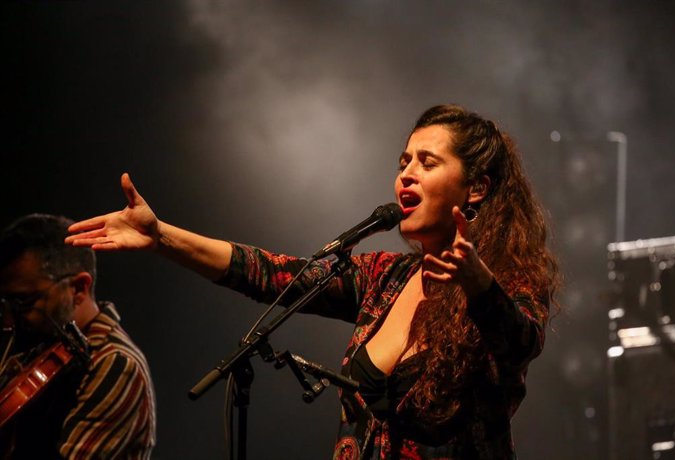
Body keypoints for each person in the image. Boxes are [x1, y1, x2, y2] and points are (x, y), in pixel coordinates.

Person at [66, 104, 559, 459]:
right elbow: (272, 274)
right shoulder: (385, 277)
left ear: (476, 188)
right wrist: (161, 236)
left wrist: (479, 287)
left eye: (427, 163)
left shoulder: (509, 284)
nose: (406, 175)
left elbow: (520, 341)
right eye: (403, 162)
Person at [0, 214, 156, 459]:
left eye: (25, 301)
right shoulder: (42, 343)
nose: (9, 320)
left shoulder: (114, 364)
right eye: (7, 303)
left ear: (78, 288)